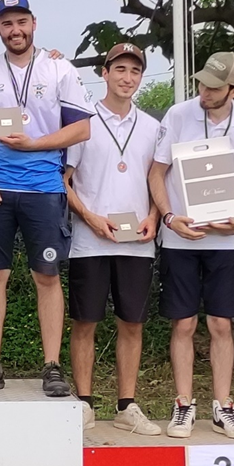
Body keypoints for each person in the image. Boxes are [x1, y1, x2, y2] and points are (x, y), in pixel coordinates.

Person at [0, 0, 92, 397]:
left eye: (21, 22)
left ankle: (52, 367)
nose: (15, 30)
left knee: (47, 277)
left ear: (34, 23)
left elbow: (82, 129)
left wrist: (35, 144)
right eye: (7, 23)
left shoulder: (59, 68)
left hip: (44, 188)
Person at [147, 52, 234, 439]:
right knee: (183, 322)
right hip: (180, 238)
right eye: (202, 83)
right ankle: (183, 404)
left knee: (220, 324)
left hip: (225, 242)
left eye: (214, 87)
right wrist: (169, 217)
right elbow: (157, 173)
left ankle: (223, 407)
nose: (204, 91)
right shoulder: (178, 115)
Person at [65, 43, 161, 433]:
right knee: (85, 322)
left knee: (132, 323)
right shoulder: (83, 123)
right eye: (119, 69)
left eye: (135, 71)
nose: (127, 77)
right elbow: (63, 181)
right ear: (104, 73)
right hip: (89, 241)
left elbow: (160, 181)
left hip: (137, 242)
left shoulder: (153, 127)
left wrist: (154, 216)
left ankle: (127, 406)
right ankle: (84, 403)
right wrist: (89, 216)